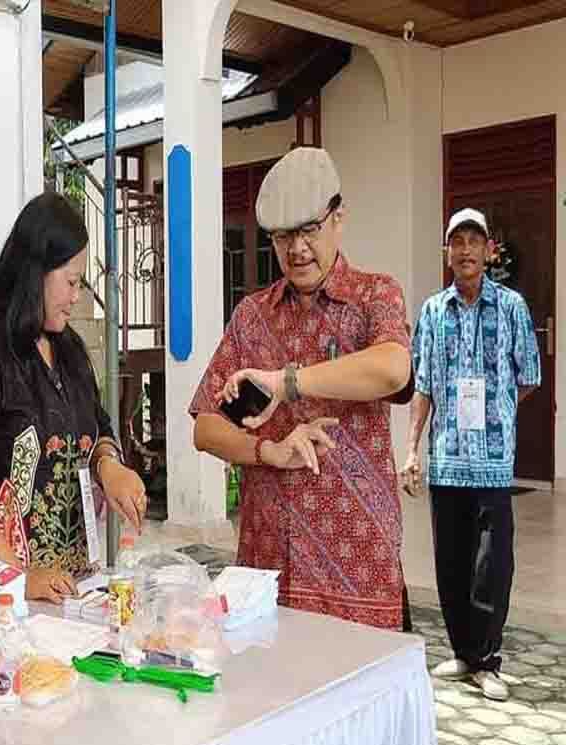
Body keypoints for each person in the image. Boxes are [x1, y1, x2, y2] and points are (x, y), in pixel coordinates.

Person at [191, 147, 413, 630]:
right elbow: (205, 427)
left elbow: (393, 369)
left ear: (339, 219)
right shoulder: (252, 316)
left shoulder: (377, 295)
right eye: (282, 237)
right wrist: (268, 450)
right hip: (269, 559)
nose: (297, 249)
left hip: (358, 560)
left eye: (309, 230)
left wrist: (286, 382)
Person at [0, 193, 147, 603]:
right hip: (4, 596)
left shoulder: (69, 351)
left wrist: (110, 467)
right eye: (70, 282)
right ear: (34, 272)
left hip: (72, 591)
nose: (76, 297)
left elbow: (98, 428)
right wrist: (20, 575)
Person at [402, 208, 541, 702]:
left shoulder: (512, 308)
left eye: (473, 241)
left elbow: (528, 377)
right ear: (447, 252)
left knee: (492, 562)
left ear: (488, 251)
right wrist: (413, 447)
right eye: (456, 241)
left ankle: (488, 660)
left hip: (494, 459)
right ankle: (462, 653)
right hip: (447, 459)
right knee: (452, 560)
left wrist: (494, 408)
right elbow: (423, 385)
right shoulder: (433, 312)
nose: (465, 250)